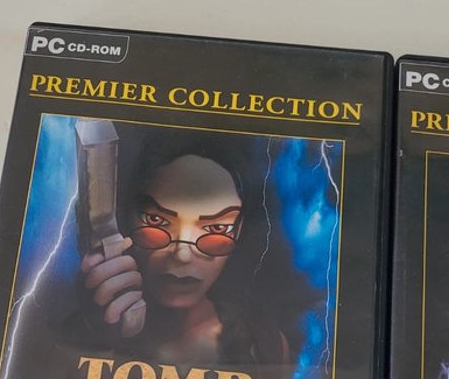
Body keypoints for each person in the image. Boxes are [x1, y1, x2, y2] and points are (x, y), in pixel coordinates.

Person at [79, 138, 291, 366]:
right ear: (129, 218)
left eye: (216, 229)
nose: (182, 255)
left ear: (238, 231)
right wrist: (97, 337)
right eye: (156, 221)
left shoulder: (262, 343)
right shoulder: (85, 330)